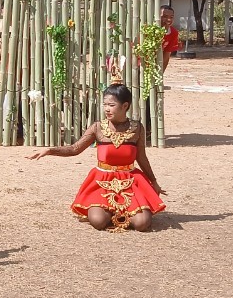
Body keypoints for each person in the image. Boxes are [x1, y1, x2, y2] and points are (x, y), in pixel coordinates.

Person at [28, 79, 167, 232]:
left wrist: (153, 181)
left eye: (111, 105)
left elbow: (141, 157)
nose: (107, 109)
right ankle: (113, 211)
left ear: (125, 106)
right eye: (105, 105)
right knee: (98, 222)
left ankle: (121, 211)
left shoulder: (137, 128)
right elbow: (75, 149)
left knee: (142, 224)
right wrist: (50, 151)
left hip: (131, 181)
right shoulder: (97, 127)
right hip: (102, 181)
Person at [160, 5, 181, 72]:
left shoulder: (173, 32)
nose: (169, 20)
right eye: (165, 16)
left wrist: (161, 73)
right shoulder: (149, 30)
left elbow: (167, 54)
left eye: (171, 17)